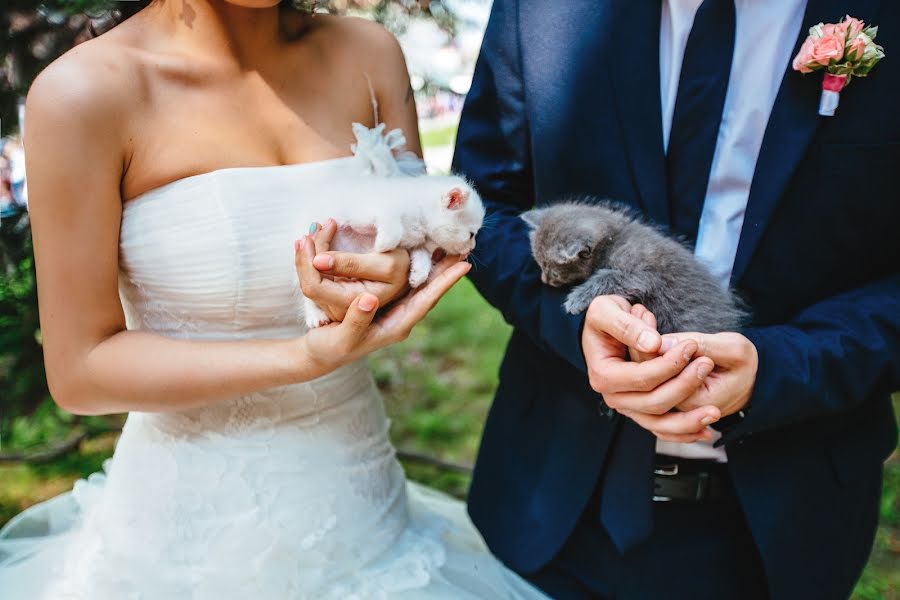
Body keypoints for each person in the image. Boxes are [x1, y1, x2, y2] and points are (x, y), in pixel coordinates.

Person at [0, 2, 549, 598]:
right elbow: (81, 371)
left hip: (372, 516)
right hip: (183, 554)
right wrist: (305, 357)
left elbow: (413, 244)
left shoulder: (371, 55)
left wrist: (388, 281)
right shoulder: (81, 93)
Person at [453, 0, 900, 598]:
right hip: (545, 504)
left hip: (779, 531)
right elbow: (483, 208)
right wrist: (578, 319)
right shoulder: (541, 10)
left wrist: (782, 367)